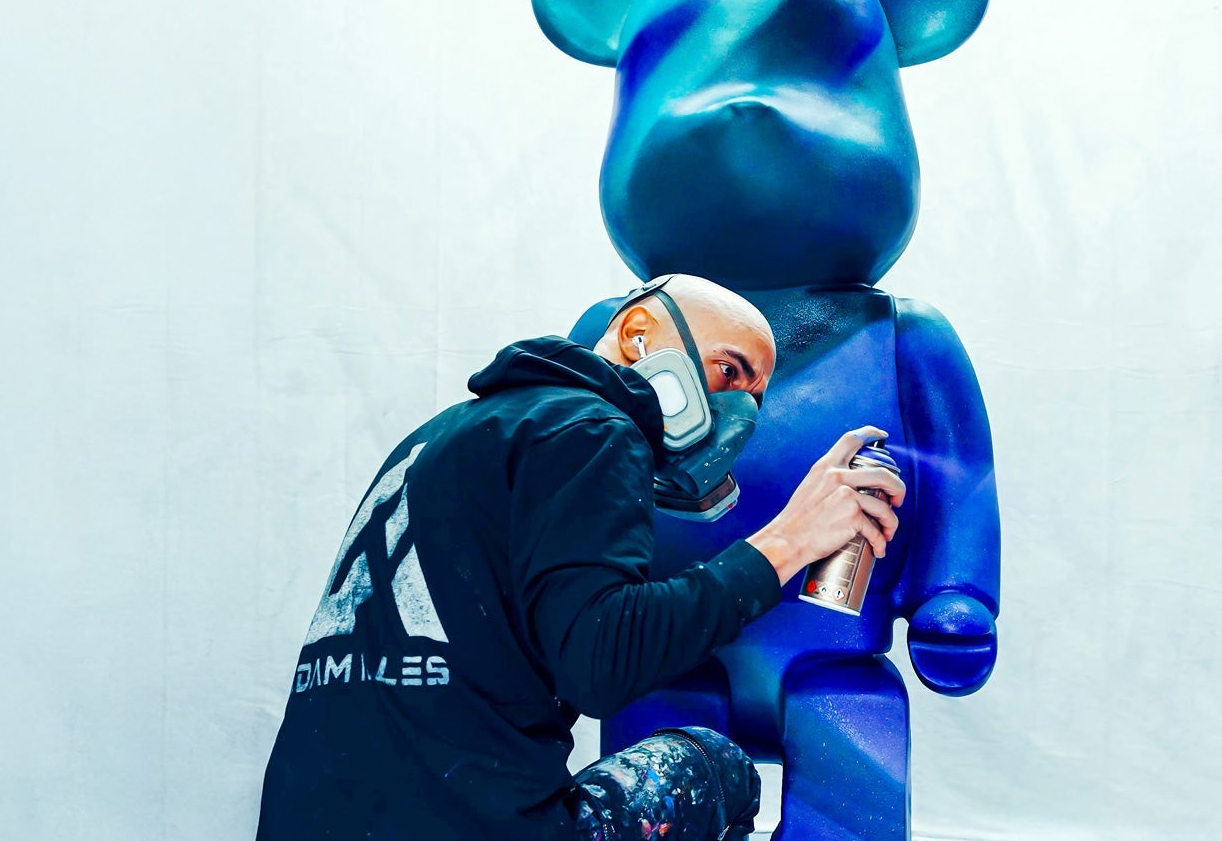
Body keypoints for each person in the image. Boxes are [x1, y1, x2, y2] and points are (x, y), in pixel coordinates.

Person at [256, 274, 907, 840]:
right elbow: (601, 662)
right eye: (729, 372)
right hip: (470, 828)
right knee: (717, 766)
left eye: (753, 399)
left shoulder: (441, 439)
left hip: (305, 822)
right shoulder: (596, 430)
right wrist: (789, 542)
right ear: (639, 332)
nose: (736, 409)